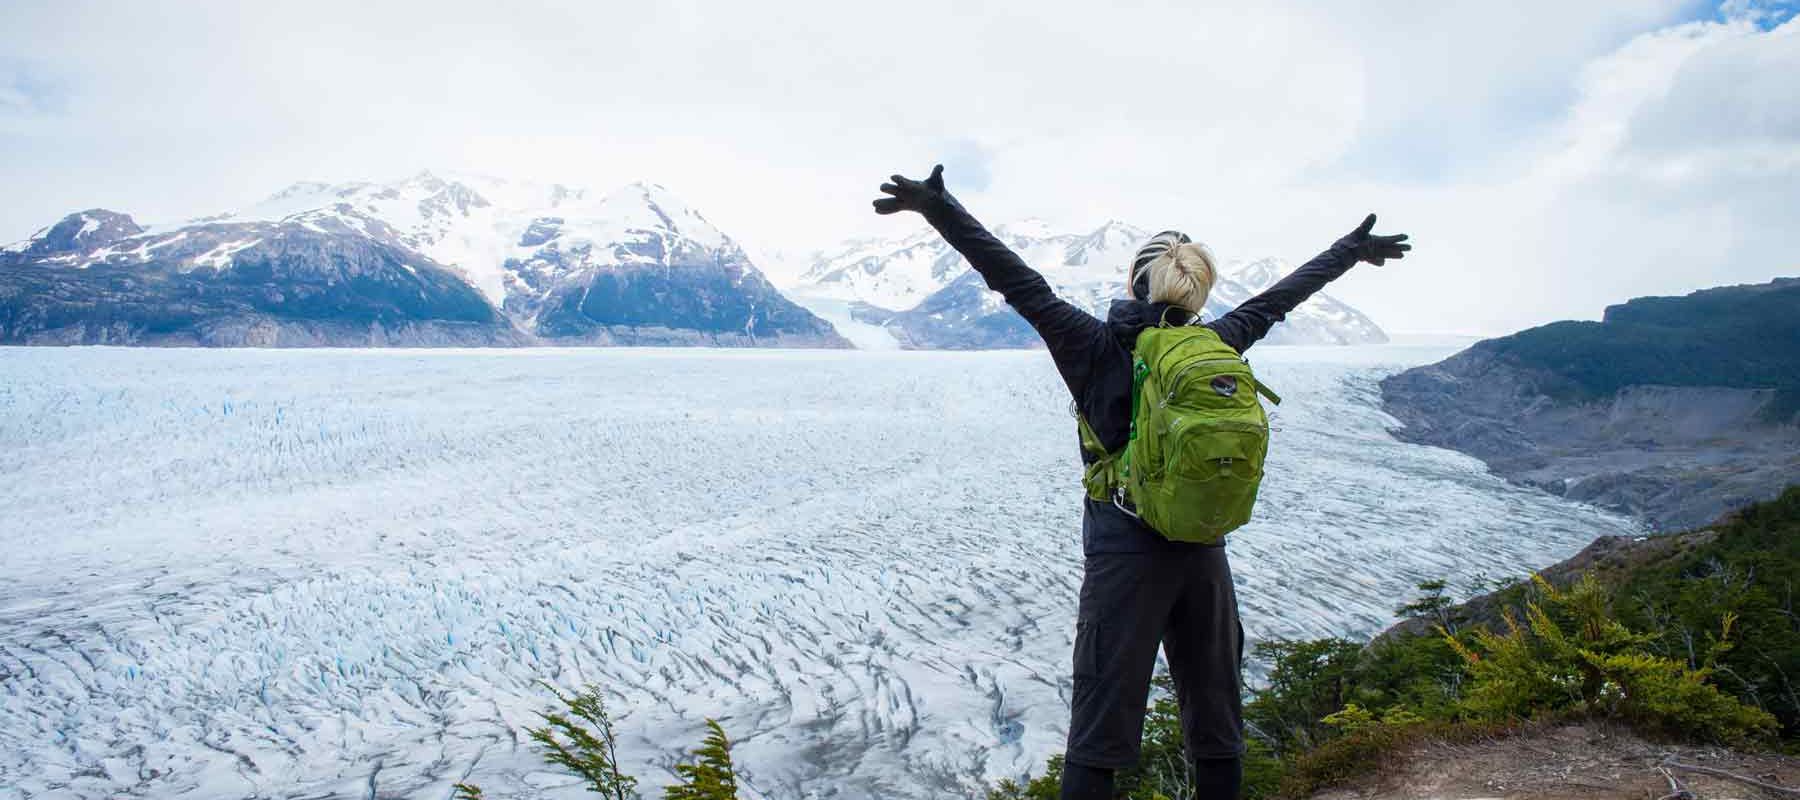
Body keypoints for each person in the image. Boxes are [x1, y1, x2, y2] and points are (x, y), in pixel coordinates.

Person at [871, 165, 1410, 799]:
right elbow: (1278, 300)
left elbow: (1015, 278)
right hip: (1204, 553)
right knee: (1217, 727)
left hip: (1124, 560)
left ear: (1134, 282)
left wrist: (938, 208)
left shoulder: (1090, 345)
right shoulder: (1216, 344)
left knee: (1099, 737)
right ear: (1197, 294)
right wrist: (1351, 250)